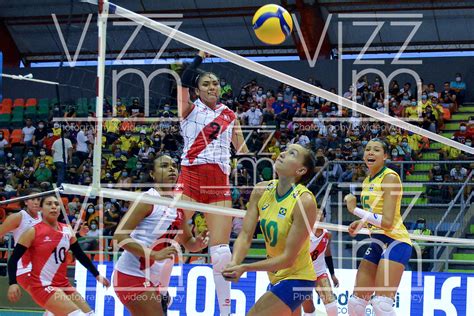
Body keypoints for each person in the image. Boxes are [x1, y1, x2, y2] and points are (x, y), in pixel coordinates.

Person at [177, 50, 249, 315]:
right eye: (205, 83)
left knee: (220, 253)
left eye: (215, 83)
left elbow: (241, 150)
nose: (211, 86)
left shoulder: (230, 115)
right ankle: (158, 294)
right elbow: (183, 80)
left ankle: (226, 310)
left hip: (219, 182)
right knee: (169, 233)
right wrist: (198, 58)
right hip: (190, 177)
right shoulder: (188, 109)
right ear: (196, 90)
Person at [222, 144, 319, 316]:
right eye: (285, 150)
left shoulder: (304, 201)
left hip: (299, 279)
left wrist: (244, 268)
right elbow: (245, 235)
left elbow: (288, 259)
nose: (282, 153)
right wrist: (234, 261)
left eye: (292, 154)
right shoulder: (261, 190)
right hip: (276, 278)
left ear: (301, 170)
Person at [113, 155, 208, 316]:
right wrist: (154, 254)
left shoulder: (178, 206)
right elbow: (119, 237)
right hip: (131, 275)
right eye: (164, 166)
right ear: (152, 174)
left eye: (174, 166)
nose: (171, 169)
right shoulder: (147, 199)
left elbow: (188, 243)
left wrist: (198, 243)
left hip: (152, 280)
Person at [7, 195, 110, 316]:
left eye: (56, 204)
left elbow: (80, 255)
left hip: (63, 284)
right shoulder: (32, 231)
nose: (53, 207)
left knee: (90, 314)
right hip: (42, 285)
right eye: (49, 204)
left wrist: (97, 275)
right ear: (41, 209)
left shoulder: (67, 230)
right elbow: (13, 259)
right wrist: (13, 283)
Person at [344, 138, 412, 316]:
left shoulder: (390, 177)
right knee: (356, 303)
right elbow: (374, 214)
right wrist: (360, 223)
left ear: (386, 156)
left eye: (376, 150)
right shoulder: (367, 181)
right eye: (367, 149)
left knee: (381, 304)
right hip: (378, 240)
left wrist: (354, 210)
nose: (370, 153)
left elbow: (388, 221)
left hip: (396, 240)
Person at [302, 210, 339, 316]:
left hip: (319, 273)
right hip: (303, 274)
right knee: (308, 310)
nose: (318, 215)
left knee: (332, 305)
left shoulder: (328, 235)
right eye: (315, 212)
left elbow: (328, 254)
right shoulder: (304, 232)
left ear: (324, 216)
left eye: (320, 213)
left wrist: (332, 275)